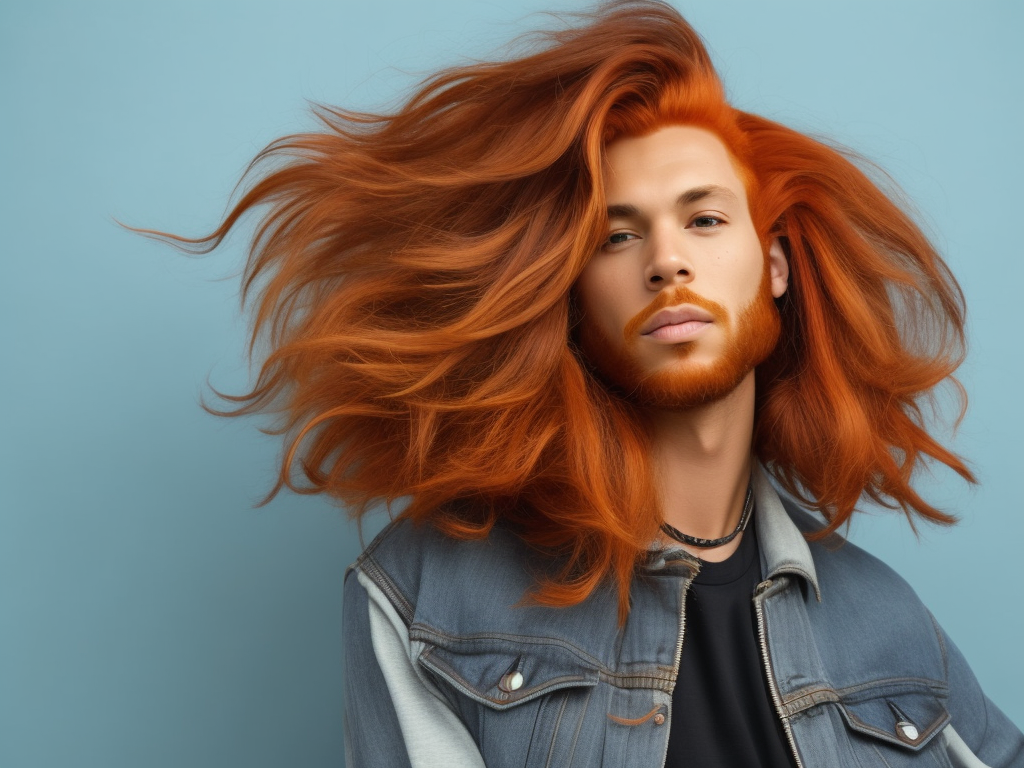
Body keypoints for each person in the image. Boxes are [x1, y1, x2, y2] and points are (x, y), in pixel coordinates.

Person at [154, 1, 1023, 765]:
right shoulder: (424, 595)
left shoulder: (886, 624)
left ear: (776, 266)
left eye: (705, 218)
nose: (667, 262)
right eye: (617, 237)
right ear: (570, 299)